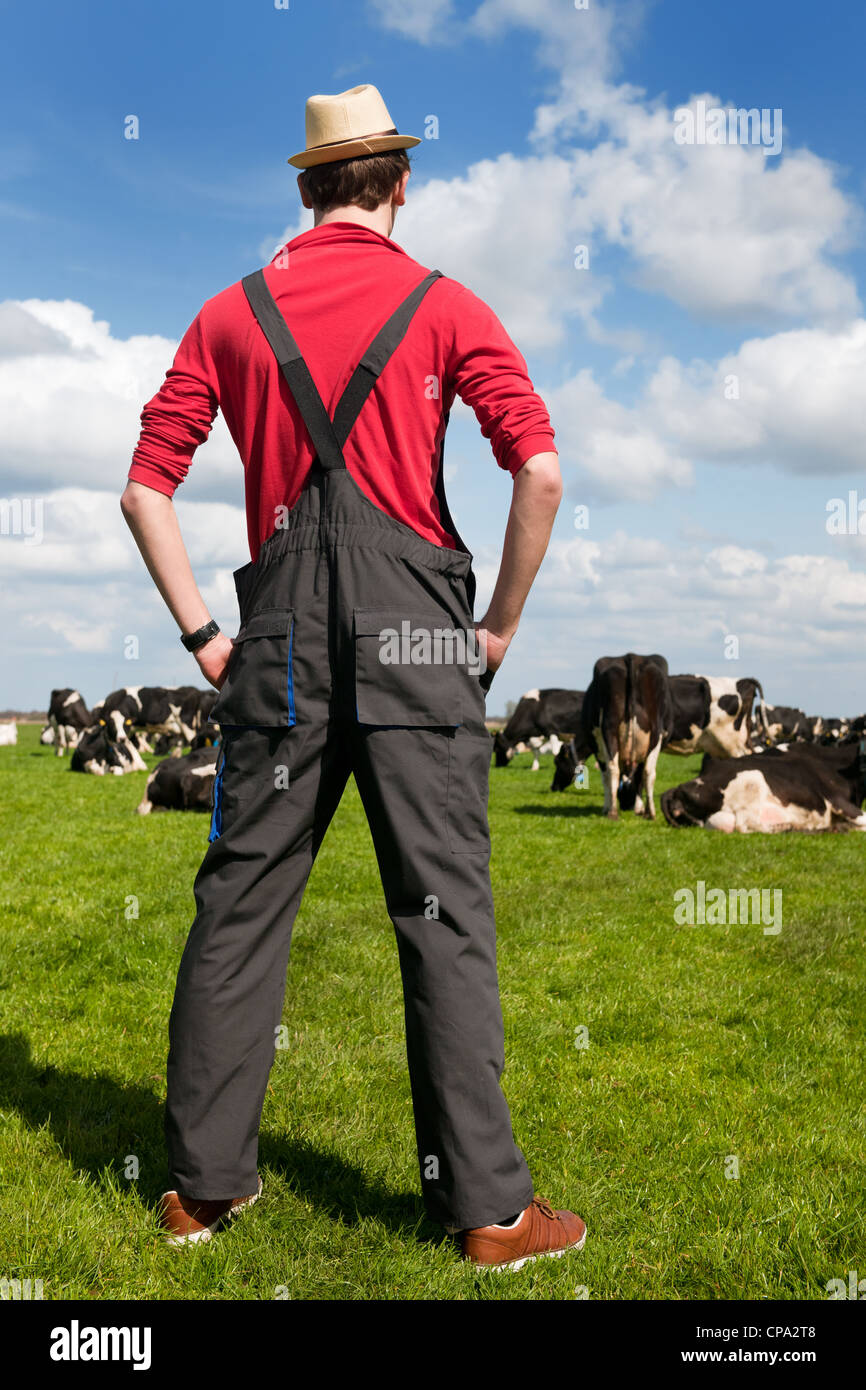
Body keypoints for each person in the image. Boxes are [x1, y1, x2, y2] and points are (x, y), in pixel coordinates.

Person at [121, 83, 586, 1272]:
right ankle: (486, 1211)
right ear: (398, 183)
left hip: (273, 643)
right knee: (443, 919)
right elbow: (537, 471)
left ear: (304, 187)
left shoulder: (229, 316)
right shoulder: (445, 306)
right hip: (424, 642)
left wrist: (199, 640)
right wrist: (492, 630)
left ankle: (202, 1193)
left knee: (238, 911)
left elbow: (143, 488)